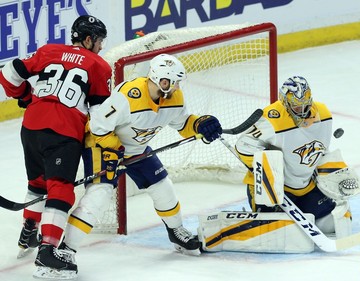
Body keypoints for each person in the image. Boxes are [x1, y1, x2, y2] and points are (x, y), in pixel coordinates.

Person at [60, 53, 222, 260]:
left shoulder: (175, 98)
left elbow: (183, 124)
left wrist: (200, 124)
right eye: (175, 82)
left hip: (136, 149)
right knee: (99, 195)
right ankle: (66, 248)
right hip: (103, 146)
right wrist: (115, 150)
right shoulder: (129, 95)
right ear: (163, 82)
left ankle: (176, 231)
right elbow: (97, 127)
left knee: (163, 186)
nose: (178, 87)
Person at [0, 15, 112, 279]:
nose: (100, 47)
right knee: (60, 189)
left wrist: (26, 97)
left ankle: (29, 230)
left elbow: (7, 74)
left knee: (38, 183)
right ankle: (47, 250)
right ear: (88, 39)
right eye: (98, 41)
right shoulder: (99, 65)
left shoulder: (48, 50)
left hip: (31, 127)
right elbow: (100, 116)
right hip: (63, 132)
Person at [235, 76, 360, 240]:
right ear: (285, 103)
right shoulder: (272, 119)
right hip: (272, 188)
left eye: (305, 105)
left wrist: (331, 173)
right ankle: (268, 212)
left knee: (332, 224)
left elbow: (322, 151)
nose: (302, 111)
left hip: (305, 186)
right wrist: (268, 169)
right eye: (296, 106)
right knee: (278, 234)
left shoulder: (323, 114)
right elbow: (243, 146)